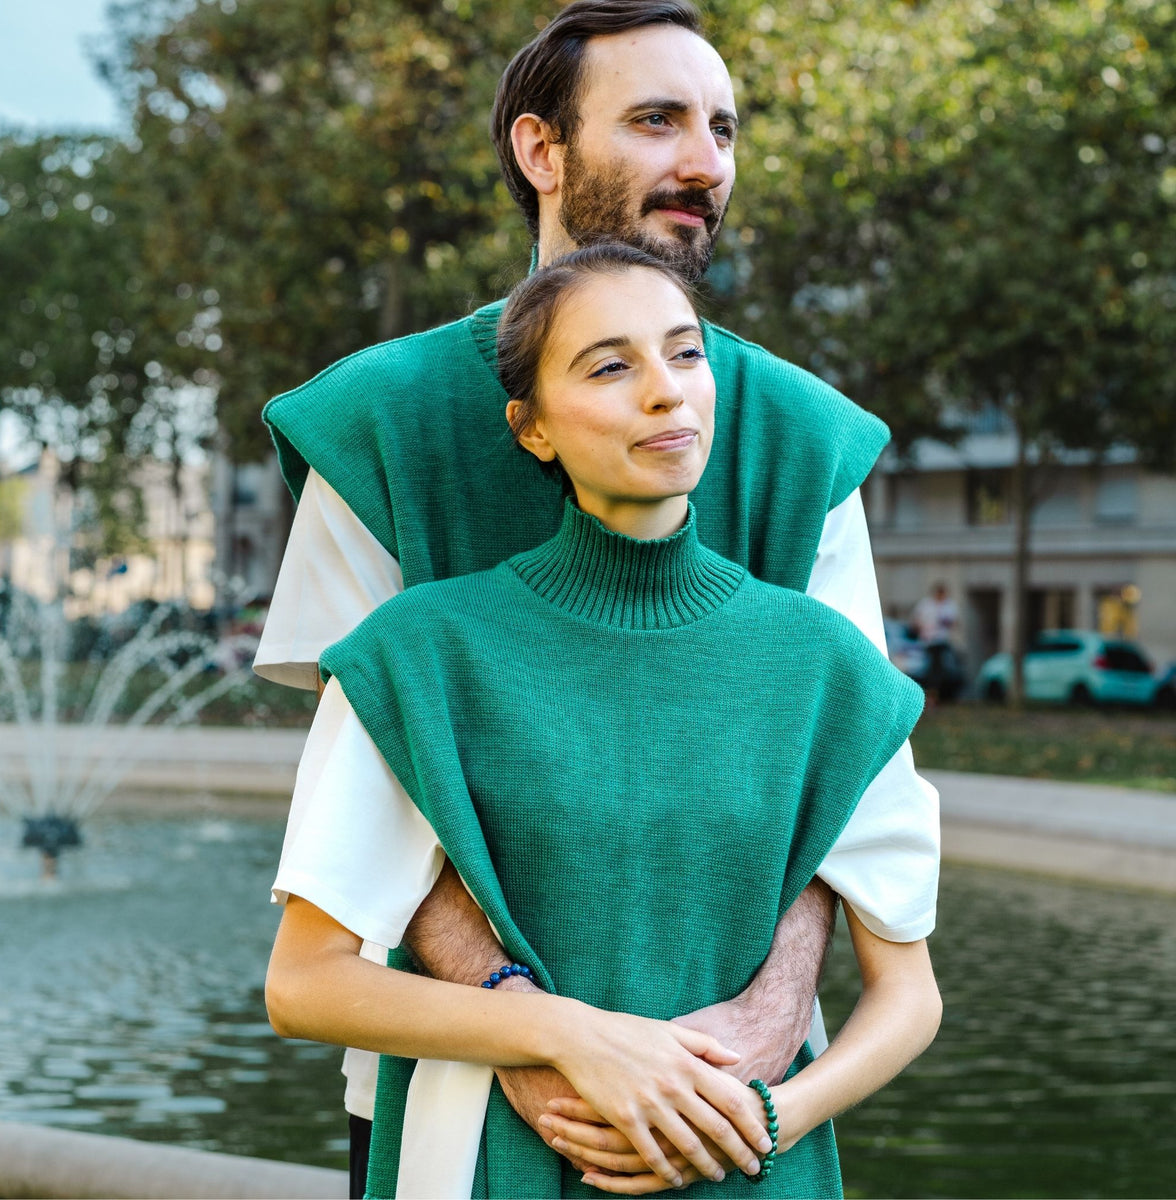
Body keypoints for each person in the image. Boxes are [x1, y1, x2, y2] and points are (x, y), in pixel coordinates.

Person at [255, 0, 941, 1190]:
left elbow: (836, 798)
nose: (704, 162)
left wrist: (767, 1023)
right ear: (541, 150)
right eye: (658, 120)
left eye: (723, 128)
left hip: (736, 1098)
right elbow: (382, 783)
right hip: (453, 1100)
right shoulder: (377, 426)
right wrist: (533, 1027)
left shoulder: (805, 441)